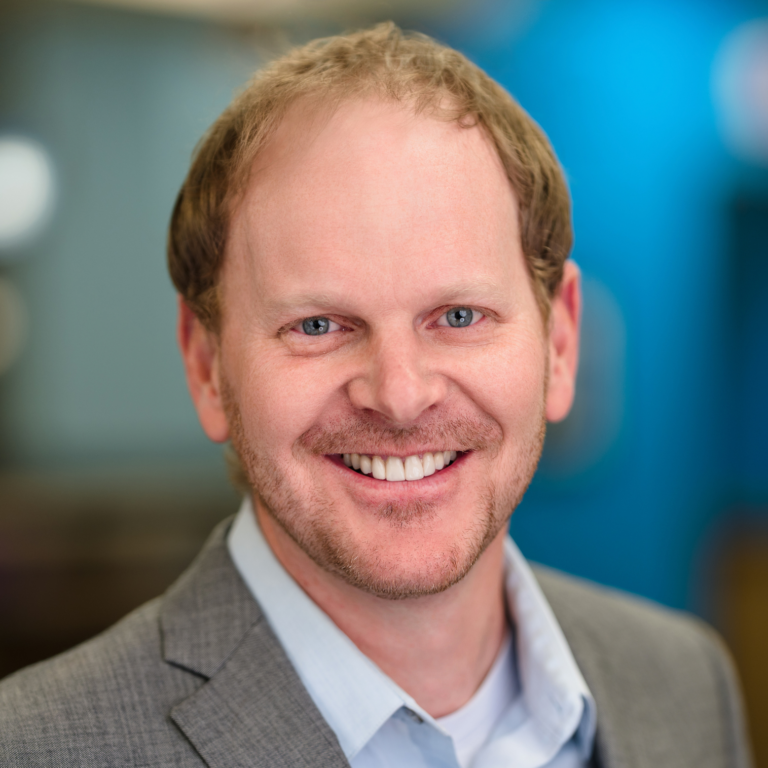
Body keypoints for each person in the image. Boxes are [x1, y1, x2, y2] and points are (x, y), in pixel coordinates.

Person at [0, 22, 752, 768]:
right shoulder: (35, 749)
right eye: (319, 324)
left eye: (459, 316)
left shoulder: (685, 684)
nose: (398, 395)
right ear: (206, 366)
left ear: (560, 346)